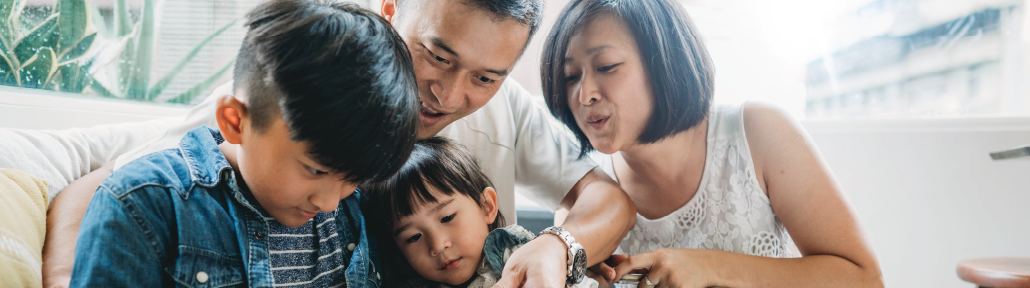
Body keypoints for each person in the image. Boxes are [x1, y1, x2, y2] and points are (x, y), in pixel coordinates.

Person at [43, 1, 636, 287]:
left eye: (486, 76)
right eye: (437, 55)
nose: (451, 95)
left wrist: (561, 247)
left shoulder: (503, 105)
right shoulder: (294, 92)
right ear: (391, 11)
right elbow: (106, 191)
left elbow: (608, 198)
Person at [69, 1, 418, 286]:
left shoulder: (354, 209)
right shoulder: (146, 206)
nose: (329, 202)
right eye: (315, 169)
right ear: (236, 122)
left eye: (353, 178)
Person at [540, 0, 884, 287]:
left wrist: (712, 267)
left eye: (607, 66)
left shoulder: (759, 134)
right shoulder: (583, 189)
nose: (585, 94)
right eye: (571, 77)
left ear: (663, 60)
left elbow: (864, 278)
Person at [361, 137, 598, 288]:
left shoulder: (516, 254)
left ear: (487, 206)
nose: (438, 245)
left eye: (447, 218)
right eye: (413, 237)